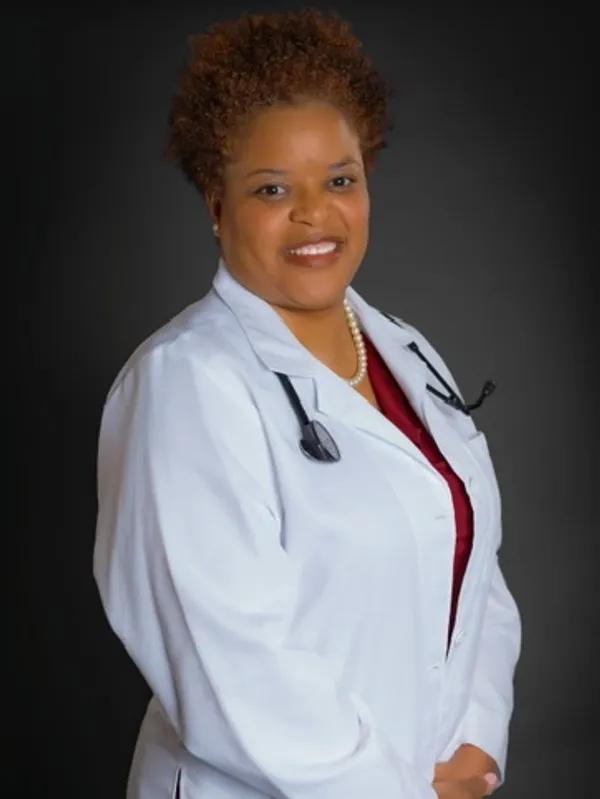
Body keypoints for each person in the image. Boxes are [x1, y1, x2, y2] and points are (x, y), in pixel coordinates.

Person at [93, 9, 521, 799]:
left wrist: (476, 746)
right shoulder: (185, 383)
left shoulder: (406, 350)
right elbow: (230, 664)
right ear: (216, 205)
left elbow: (472, 567)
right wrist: (407, 793)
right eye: (271, 188)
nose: (314, 213)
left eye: (340, 179)